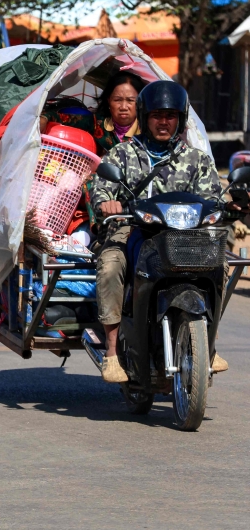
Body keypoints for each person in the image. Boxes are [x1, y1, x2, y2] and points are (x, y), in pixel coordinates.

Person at [91, 80, 228, 381]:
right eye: (156, 115)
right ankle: (112, 353)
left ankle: (209, 342)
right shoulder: (123, 154)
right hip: (130, 229)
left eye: (170, 115)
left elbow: (214, 198)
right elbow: (101, 190)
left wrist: (223, 208)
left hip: (182, 236)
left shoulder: (196, 159)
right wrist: (108, 203)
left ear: (180, 119)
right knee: (111, 266)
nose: (163, 122)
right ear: (145, 116)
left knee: (221, 263)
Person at [41, 72, 146, 156]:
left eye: (130, 100)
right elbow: (62, 118)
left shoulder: (147, 130)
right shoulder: (97, 123)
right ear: (108, 101)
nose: (123, 107)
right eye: (117, 100)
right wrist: (44, 118)